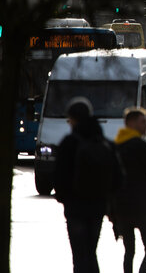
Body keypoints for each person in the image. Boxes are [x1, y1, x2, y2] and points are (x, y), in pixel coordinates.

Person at [54, 97, 122, 273]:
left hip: (75, 207)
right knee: (91, 251)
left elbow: (59, 176)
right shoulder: (105, 143)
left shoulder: (69, 143)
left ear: (73, 119)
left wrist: (64, 198)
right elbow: (118, 177)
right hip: (98, 206)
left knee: (79, 254)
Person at [112, 107, 146, 273]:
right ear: (131, 123)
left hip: (121, 208)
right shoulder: (140, 145)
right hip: (142, 206)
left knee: (129, 251)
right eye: (142, 122)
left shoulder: (117, 145)